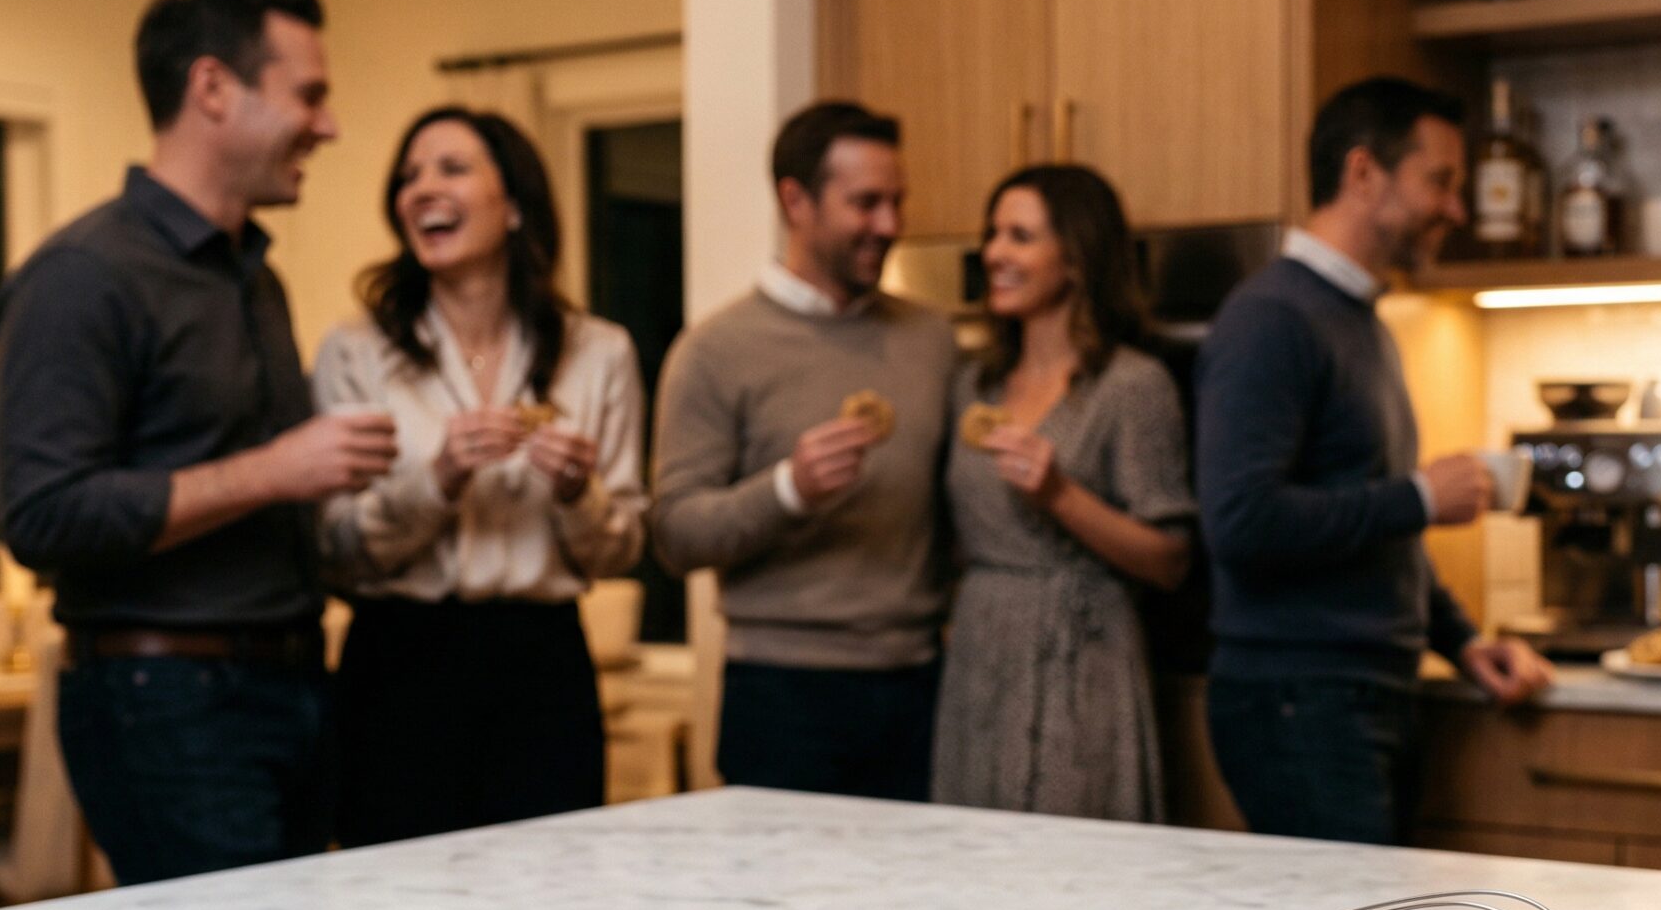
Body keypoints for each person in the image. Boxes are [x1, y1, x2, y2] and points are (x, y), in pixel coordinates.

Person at [0, 0, 393, 885]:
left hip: (290, 683)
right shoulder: (82, 277)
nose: (327, 126)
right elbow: (43, 514)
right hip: (164, 699)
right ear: (213, 88)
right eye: (310, 95)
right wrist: (276, 471)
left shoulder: (256, 277)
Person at [1196, 76, 1554, 846]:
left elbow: (1372, 527)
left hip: (1355, 694)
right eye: (1441, 181)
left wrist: (1460, 641)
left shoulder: (1362, 321)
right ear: (1363, 173)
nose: (1455, 209)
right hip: (1297, 699)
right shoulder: (1270, 318)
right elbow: (1240, 520)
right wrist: (1419, 498)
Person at [313, 108, 646, 846]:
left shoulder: (600, 353)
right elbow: (335, 549)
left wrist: (575, 494)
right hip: (398, 665)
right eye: (409, 176)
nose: (422, 189)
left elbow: (619, 551)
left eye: (452, 168)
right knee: (395, 909)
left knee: (550, 902)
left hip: (542, 667)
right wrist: (438, 478)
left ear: (516, 203)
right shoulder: (355, 353)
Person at [649, 101, 957, 800]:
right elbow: (674, 532)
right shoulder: (714, 351)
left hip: (920, 681)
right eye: (866, 203)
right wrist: (789, 488)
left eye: (897, 201)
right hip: (781, 690)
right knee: (784, 907)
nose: (890, 224)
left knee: (912, 904)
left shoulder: (930, 341)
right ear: (796, 200)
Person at [930, 166, 1196, 820]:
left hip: (1083, 663)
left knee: (1069, 879)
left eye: (1019, 236)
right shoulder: (973, 385)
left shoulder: (1130, 387)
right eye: (993, 234)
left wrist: (1059, 494)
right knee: (966, 870)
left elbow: (1170, 558)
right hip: (979, 661)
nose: (994, 253)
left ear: (1075, 258)